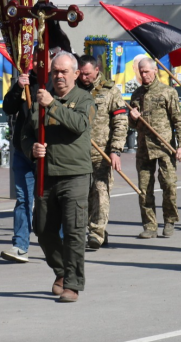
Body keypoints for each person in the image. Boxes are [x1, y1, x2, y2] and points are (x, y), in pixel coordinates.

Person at [21, 52, 95, 303]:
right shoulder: (39, 99)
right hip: (46, 173)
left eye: (64, 72)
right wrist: (31, 148)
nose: (59, 76)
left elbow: (79, 125)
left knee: (74, 231)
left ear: (76, 74)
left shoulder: (84, 99)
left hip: (74, 175)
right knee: (42, 229)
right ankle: (61, 270)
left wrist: (52, 104)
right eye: (55, 72)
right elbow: (24, 134)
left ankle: (72, 285)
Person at [129, 57, 181, 239]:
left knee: (169, 185)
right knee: (144, 188)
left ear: (154, 71)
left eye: (146, 71)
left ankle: (169, 220)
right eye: (141, 71)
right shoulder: (136, 94)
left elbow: (179, 119)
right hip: (144, 148)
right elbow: (132, 125)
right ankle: (149, 225)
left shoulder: (167, 92)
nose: (144, 75)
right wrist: (133, 117)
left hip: (164, 146)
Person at [77, 55, 128, 249]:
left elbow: (121, 122)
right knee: (84, 195)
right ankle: (98, 229)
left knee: (100, 190)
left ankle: (96, 233)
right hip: (78, 153)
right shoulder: (74, 90)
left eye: (87, 74)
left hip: (102, 153)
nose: (84, 78)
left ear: (97, 70)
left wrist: (115, 150)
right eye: (80, 74)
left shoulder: (110, 91)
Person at [0, 71, 36, 263]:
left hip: (47, 152)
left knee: (51, 200)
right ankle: (20, 245)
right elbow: (8, 107)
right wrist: (18, 87)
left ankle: (60, 243)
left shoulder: (56, 81)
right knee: (23, 199)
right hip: (23, 150)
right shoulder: (26, 81)